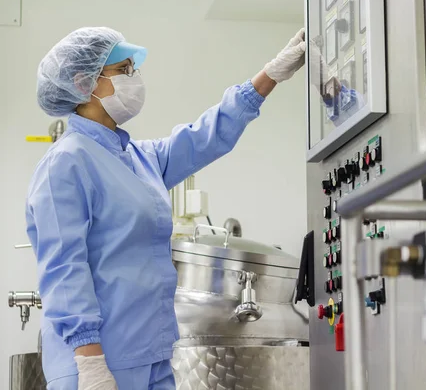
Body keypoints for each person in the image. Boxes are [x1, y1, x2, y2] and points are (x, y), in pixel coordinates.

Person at [26, 26, 306, 390]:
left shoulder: (136, 158)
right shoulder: (66, 162)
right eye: (124, 70)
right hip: (98, 362)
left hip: (152, 354)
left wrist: (269, 76)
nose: (134, 79)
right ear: (85, 84)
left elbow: (205, 136)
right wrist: (89, 360)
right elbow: (64, 268)